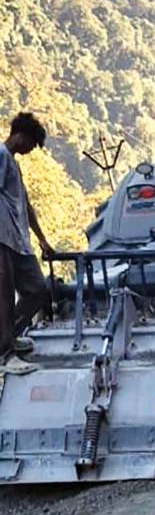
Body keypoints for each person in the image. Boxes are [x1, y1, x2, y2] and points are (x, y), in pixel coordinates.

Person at [0, 112, 54, 376]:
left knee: (36, 289)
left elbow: (26, 205)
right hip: (2, 238)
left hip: (18, 240)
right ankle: (5, 353)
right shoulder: (0, 155)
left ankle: (9, 337)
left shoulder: (13, 163)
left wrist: (42, 238)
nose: (33, 150)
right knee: (4, 296)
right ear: (21, 136)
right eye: (33, 143)